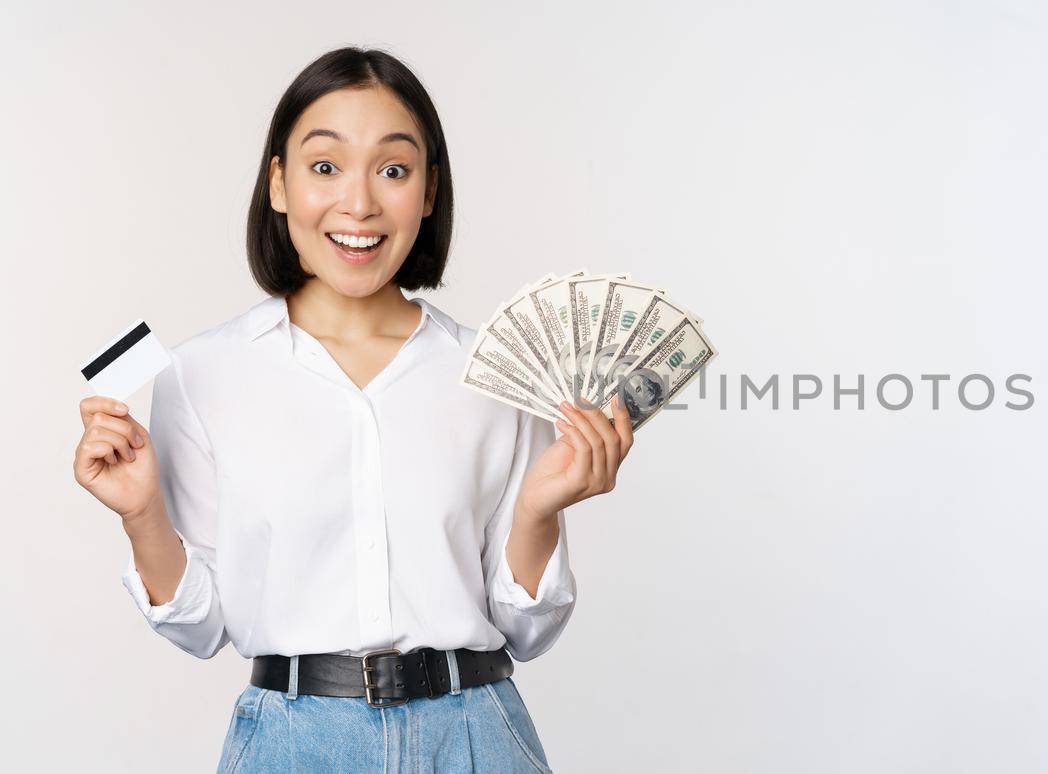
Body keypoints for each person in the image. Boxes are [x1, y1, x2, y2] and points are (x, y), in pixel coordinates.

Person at [70, 47, 630, 773]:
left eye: (393, 170)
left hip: (475, 737)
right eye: (325, 166)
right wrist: (141, 512)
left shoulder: (493, 373)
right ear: (278, 183)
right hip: (293, 744)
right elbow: (203, 626)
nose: (359, 204)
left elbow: (526, 630)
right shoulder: (202, 373)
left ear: (429, 192)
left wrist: (539, 511)